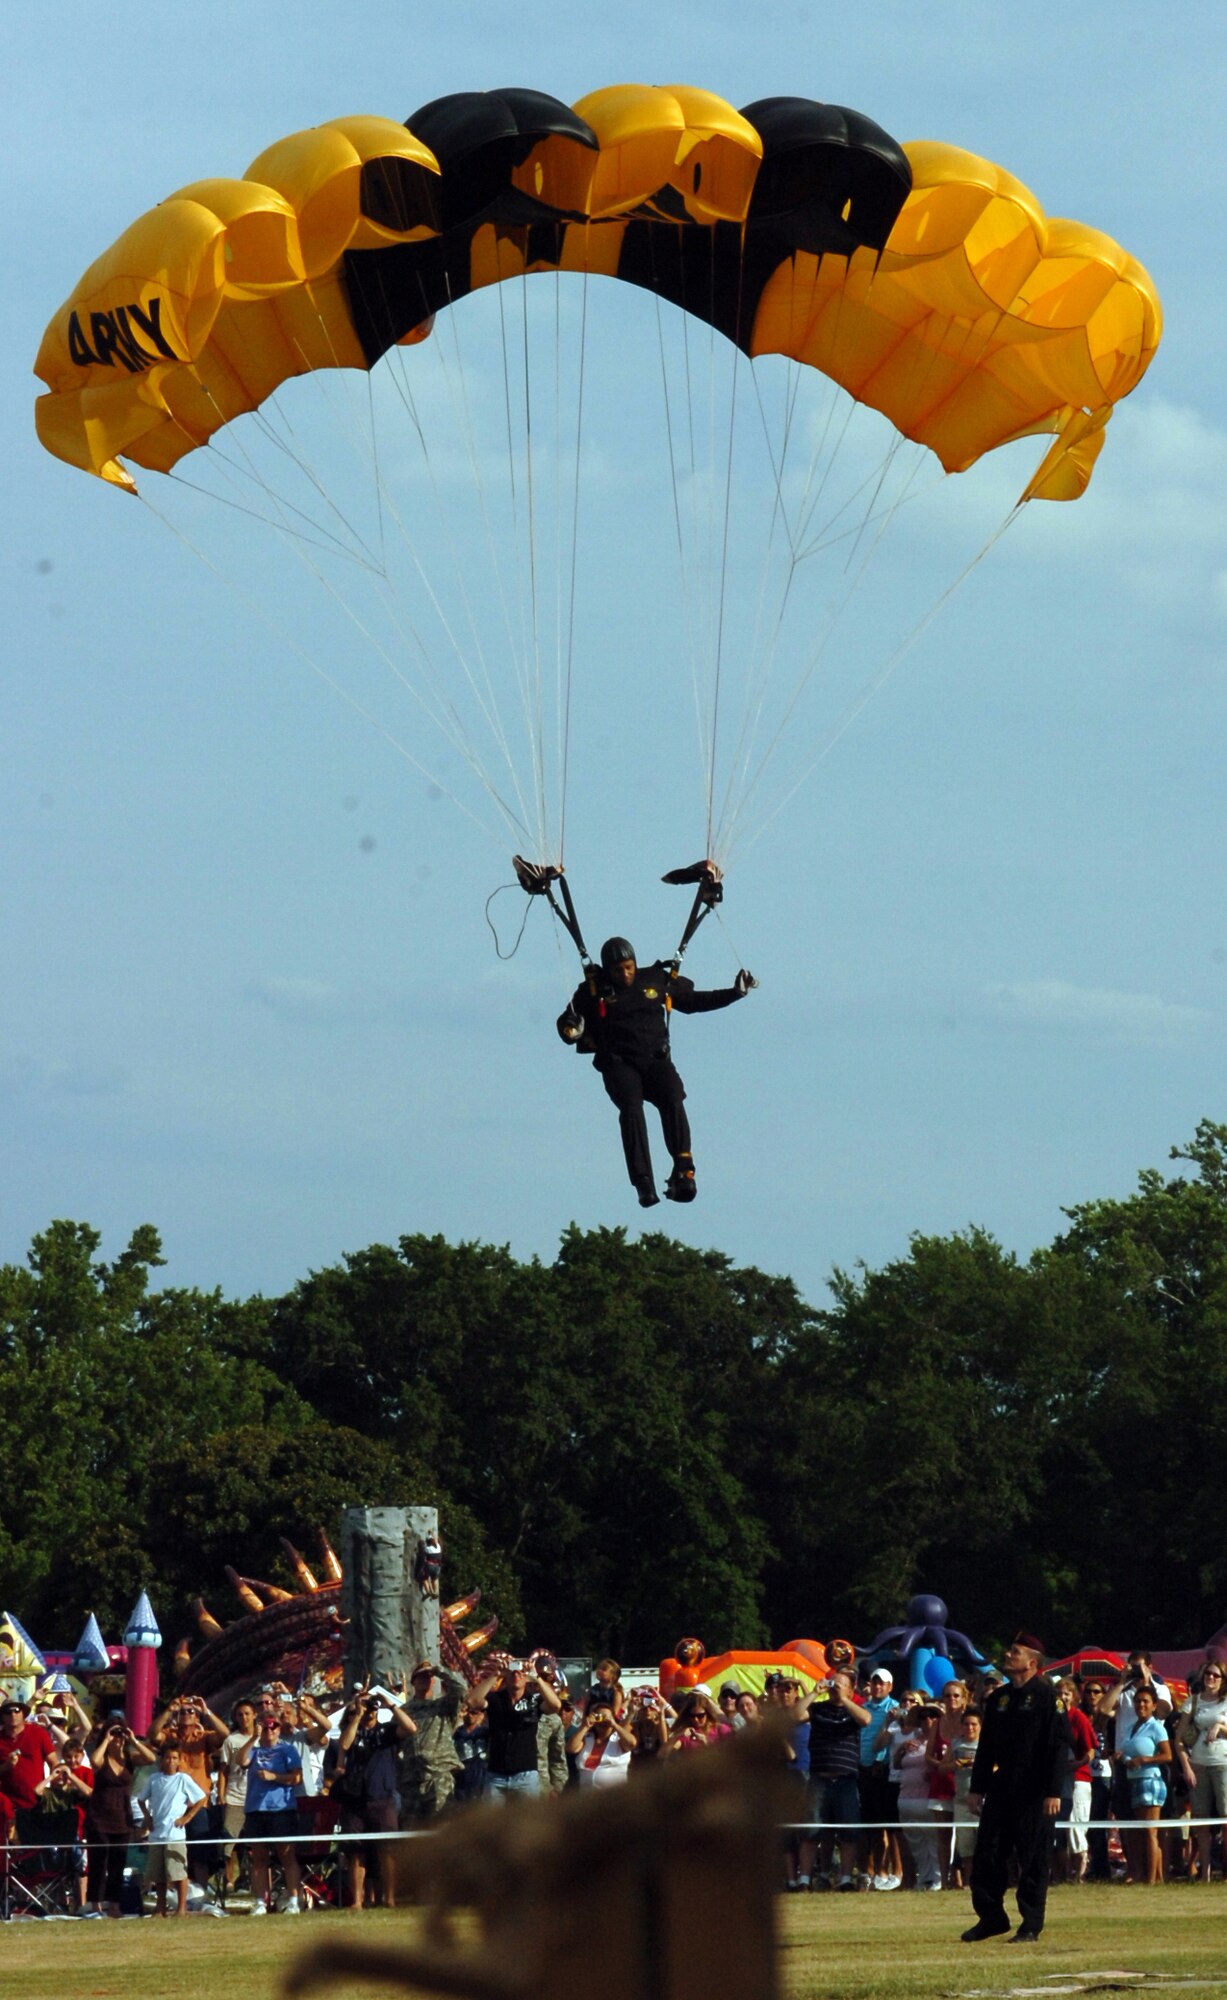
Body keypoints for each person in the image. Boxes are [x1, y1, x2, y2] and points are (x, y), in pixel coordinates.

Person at [557, 937, 754, 1207]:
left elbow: (694, 1002)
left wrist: (735, 993)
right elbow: (567, 1023)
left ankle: (684, 1168)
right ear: (607, 969)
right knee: (631, 1107)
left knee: (673, 1096)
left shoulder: (654, 979)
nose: (625, 974)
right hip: (619, 1064)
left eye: (628, 967)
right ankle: (643, 1181)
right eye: (617, 970)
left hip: (655, 1061)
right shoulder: (592, 990)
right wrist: (571, 1031)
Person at [960, 1633, 1070, 1944]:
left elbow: (1058, 1749)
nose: (1008, 1655)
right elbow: (986, 1749)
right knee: (988, 1855)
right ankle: (991, 1917)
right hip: (1003, 1787)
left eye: (1016, 1652)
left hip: (1036, 1791)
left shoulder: (1049, 1699)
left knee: (1033, 1858)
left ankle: (1031, 1924)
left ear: (1032, 1663)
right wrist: (976, 1788)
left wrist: (1053, 1791)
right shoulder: (999, 1700)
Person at [84, 1712, 154, 1917]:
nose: (117, 1738)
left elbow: (150, 1758)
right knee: (98, 1861)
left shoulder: (130, 1758)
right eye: (114, 1734)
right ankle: (95, 1904)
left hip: (122, 1816)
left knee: (118, 1862)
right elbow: (95, 1763)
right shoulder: (101, 1754)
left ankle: (114, 1904)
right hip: (99, 1815)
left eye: (119, 1734)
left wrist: (132, 1740)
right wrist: (106, 1739)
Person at [239, 1705, 305, 1915]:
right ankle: (260, 1901)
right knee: (259, 1859)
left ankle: (294, 1899)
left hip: (281, 1810)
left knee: (287, 1856)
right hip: (256, 1810)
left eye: (273, 1726)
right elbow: (241, 1761)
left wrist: (274, 1777)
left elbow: (297, 1778)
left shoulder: (287, 1750)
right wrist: (252, 1738)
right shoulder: (254, 1750)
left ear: (279, 1728)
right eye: (265, 1727)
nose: (270, 1730)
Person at [469, 1656, 562, 1802]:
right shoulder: (495, 1699)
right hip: (496, 1774)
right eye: (512, 1672)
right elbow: (473, 1701)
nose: (516, 1675)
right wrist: (497, 1674)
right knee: (492, 1823)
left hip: (526, 1774)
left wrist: (536, 1677)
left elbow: (556, 1705)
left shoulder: (533, 1700)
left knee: (527, 1823)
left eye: (520, 1673)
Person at [135, 1743, 207, 1918]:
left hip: (175, 1834)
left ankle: (181, 1908)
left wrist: (186, 1818)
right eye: (168, 1757)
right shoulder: (154, 1779)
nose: (170, 1761)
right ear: (162, 1760)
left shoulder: (183, 1779)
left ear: (179, 1760)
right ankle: (160, 1908)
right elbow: (141, 1800)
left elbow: (201, 1798)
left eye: (174, 1758)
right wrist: (147, 1818)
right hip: (157, 1833)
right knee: (158, 1875)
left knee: (177, 1872)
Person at [1174, 1659, 1227, 1884]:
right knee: (1201, 1821)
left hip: (1223, 1763)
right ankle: (1203, 1872)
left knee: (1226, 1818)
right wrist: (1186, 1766)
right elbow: (1178, 1740)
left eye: (1216, 1675)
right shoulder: (1193, 1702)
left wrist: (1221, 1727)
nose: (1211, 1679)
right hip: (1198, 1765)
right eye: (1208, 1675)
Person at [1114, 1682, 1170, 1885]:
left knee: (1150, 1830)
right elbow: (1129, 1752)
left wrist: (1144, 1760)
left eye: (1145, 1701)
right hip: (1134, 1780)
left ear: (1154, 1705)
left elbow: (1167, 1755)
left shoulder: (1156, 1727)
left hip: (1150, 1781)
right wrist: (1122, 1757)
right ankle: (1139, 1873)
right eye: (1138, 1701)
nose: (1141, 1705)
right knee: (1138, 1831)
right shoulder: (1131, 1727)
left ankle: (1153, 1878)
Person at [398, 1661, 465, 1821]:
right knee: (411, 1831)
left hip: (438, 1774)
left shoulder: (443, 1706)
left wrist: (438, 1670)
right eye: (419, 1676)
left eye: (428, 1676)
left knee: (440, 1826)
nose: (424, 1679)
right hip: (411, 1778)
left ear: (434, 1681)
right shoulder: (404, 1711)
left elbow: (461, 1689)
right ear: (412, 1682)